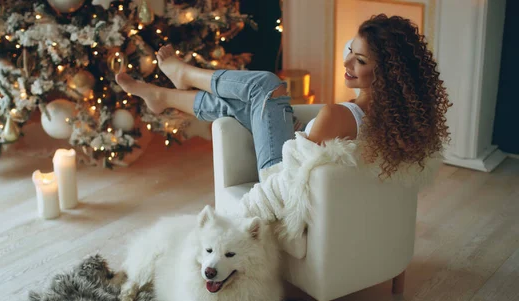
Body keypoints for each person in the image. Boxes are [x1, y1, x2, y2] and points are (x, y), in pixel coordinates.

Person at [115, 14, 451, 178]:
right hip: (297, 160)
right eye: (350, 50)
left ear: (388, 73)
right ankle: (162, 95)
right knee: (240, 103)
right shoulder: (399, 120)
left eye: (360, 60)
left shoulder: (339, 115)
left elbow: (292, 176)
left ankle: (183, 74)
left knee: (264, 84)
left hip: (281, 181)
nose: (346, 62)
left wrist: (285, 124)